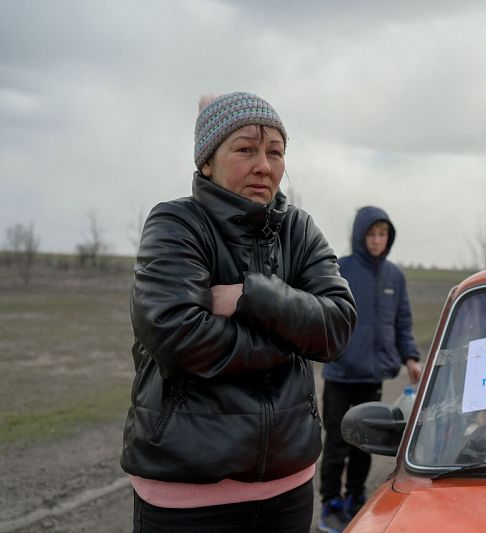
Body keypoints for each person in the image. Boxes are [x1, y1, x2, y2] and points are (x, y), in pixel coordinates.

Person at [120, 91, 357, 532]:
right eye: (246, 149)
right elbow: (178, 338)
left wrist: (252, 295)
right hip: (186, 494)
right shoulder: (176, 224)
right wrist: (291, 339)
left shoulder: (299, 230)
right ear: (207, 161)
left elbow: (338, 326)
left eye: (275, 151)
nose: (264, 166)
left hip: (288, 488)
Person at [318, 206, 422, 532]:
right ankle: (330, 503)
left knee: (366, 442)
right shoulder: (341, 269)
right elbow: (324, 316)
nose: (377, 240)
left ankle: (355, 496)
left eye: (383, 234)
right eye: (372, 234)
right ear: (360, 236)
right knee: (336, 442)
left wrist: (410, 357)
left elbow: (402, 323)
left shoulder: (395, 276)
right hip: (340, 374)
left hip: (373, 375)